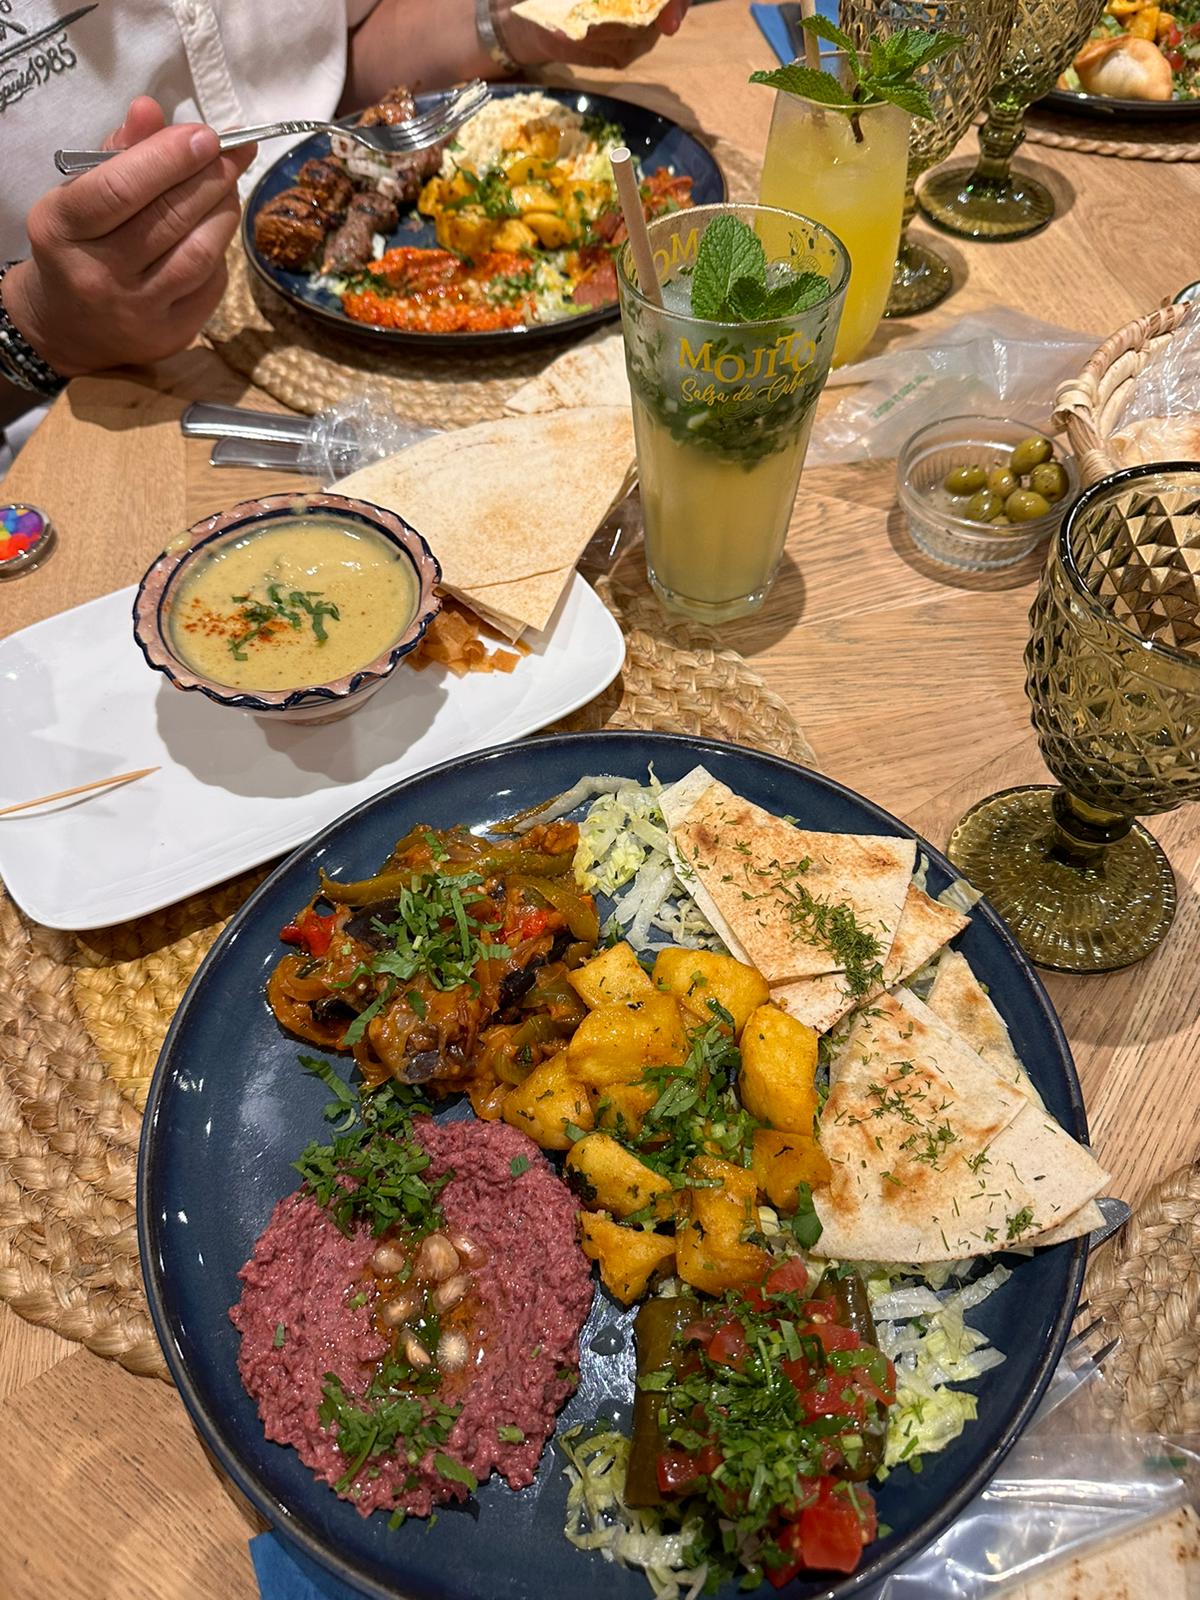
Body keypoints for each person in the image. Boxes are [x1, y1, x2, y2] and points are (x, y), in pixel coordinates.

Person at [0, 0, 689, 423]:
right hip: (93, 405)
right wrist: (35, 324)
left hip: (367, 358)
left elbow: (345, 56)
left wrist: (515, 21)